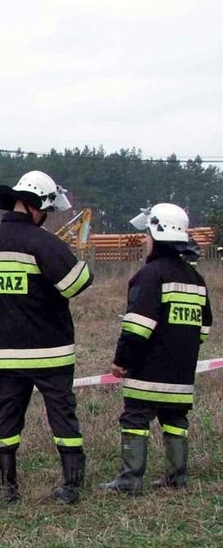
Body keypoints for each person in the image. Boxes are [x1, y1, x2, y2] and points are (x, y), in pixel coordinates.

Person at [0, 170, 94, 504]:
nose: (46, 218)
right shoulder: (42, 242)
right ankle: (70, 487)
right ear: (37, 205)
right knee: (62, 416)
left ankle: (7, 489)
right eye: (47, 210)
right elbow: (75, 284)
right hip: (50, 352)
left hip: (4, 354)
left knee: (7, 418)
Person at [101, 203, 212, 494]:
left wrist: (121, 360)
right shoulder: (196, 280)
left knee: (135, 419)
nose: (145, 241)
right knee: (175, 420)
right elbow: (204, 328)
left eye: (147, 235)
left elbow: (137, 328)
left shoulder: (150, 275)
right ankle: (177, 479)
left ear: (158, 234)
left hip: (148, 371)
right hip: (181, 373)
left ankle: (130, 480)